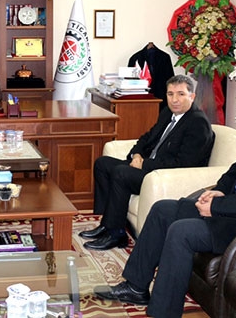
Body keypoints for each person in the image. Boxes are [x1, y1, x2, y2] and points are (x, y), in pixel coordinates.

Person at [94, 77, 236, 318]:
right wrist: (219, 190)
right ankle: (135, 287)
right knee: (162, 209)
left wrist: (218, 206)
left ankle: (163, 312)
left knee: (182, 231)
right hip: (232, 209)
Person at [80, 74, 214, 250]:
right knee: (103, 164)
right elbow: (147, 138)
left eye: (181, 94)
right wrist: (136, 154)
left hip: (165, 176)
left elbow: (182, 163)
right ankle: (106, 224)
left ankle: (116, 234)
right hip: (149, 167)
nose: (174, 100)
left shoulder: (198, 123)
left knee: (121, 173)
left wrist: (144, 164)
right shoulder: (168, 113)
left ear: (192, 96)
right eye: (170, 94)